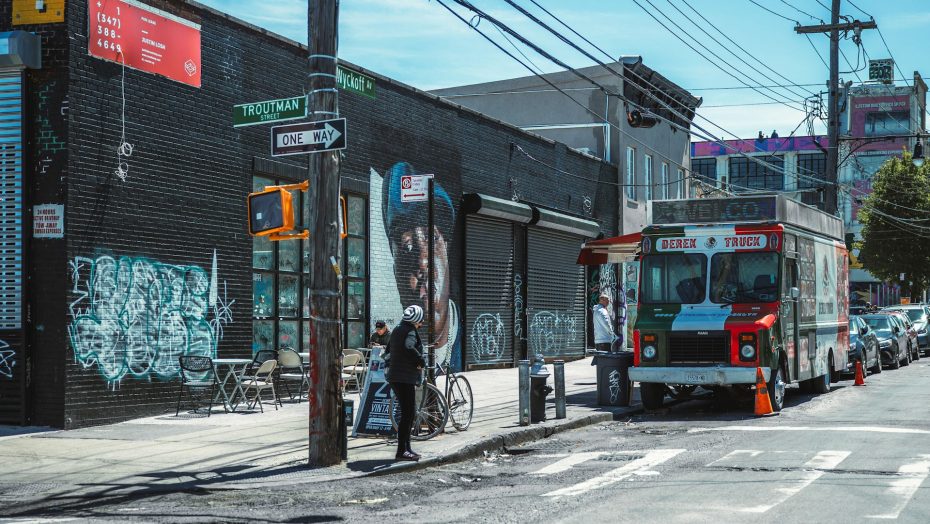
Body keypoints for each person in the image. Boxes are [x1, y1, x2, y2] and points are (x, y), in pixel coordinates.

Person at [383, 162, 461, 369]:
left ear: (447, 252)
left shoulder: (462, 337)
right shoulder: (401, 335)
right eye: (408, 246)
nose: (423, 261)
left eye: (432, 239)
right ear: (395, 271)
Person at [384, 305, 426, 462]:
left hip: (395, 377)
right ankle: (403, 451)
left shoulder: (396, 329)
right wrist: (420, 360)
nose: (421, 323)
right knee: (408, 415)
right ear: (416, 320)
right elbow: (408, 347)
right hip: (404, 378)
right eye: (421, 320)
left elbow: (387, 352)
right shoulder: (410, 331)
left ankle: (406, 449)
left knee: (407, 414)